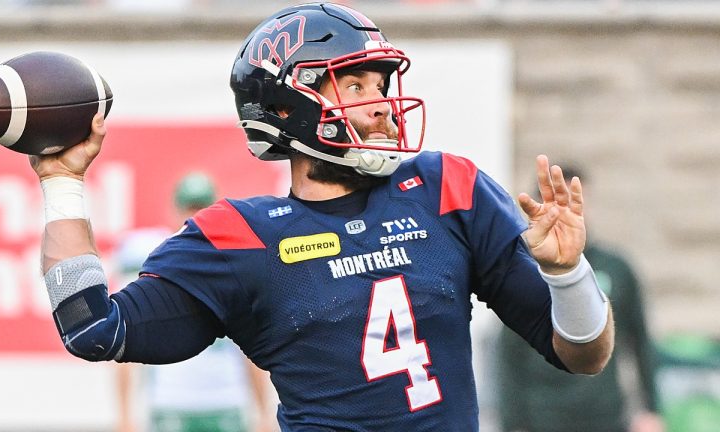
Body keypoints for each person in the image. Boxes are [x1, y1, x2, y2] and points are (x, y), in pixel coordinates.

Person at [30, 3, 614, 430]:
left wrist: (566, 274)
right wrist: (62, 184)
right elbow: (92, 329)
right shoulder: (240, 235)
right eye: (354, 85)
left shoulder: (445, 187)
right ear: (290, 108)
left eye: (381, 83)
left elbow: (583, 355)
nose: (382, 104)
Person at [494, 166, 663, 432]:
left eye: (577, 200)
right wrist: (512, 424)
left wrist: (652, 410)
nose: (568, 211)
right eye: (557, 203)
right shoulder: (522, 271)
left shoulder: (616, 267)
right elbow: (508, 355)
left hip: (605, 416)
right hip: (544, 417)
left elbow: (640, 341)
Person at [114, 172, 277, 432]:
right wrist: (123, 414)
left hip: (226, 400)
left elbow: (251, 345)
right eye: (190, 208)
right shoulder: (150, 256)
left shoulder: (235, 258)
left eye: (202, 208)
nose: (194, 216)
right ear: (175, 210)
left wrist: (263, 411)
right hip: (171, 401)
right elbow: (126, 338)